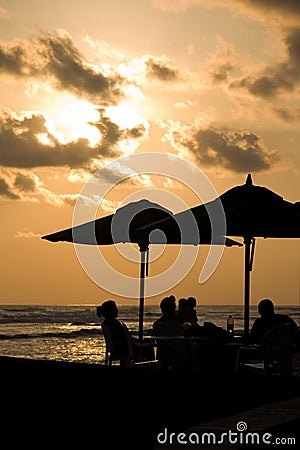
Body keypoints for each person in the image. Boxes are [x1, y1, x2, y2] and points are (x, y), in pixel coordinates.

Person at [97, 300, 154, 366]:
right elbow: (123, 338)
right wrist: (135, 342)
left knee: (146, 342)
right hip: (123, 349)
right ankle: (150, 367)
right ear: (110, 311)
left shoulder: (109, 323)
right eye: (115, 309)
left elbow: (123, 337)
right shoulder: (114, 324)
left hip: (120, 348)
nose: (117, 311)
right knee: (148, 348)